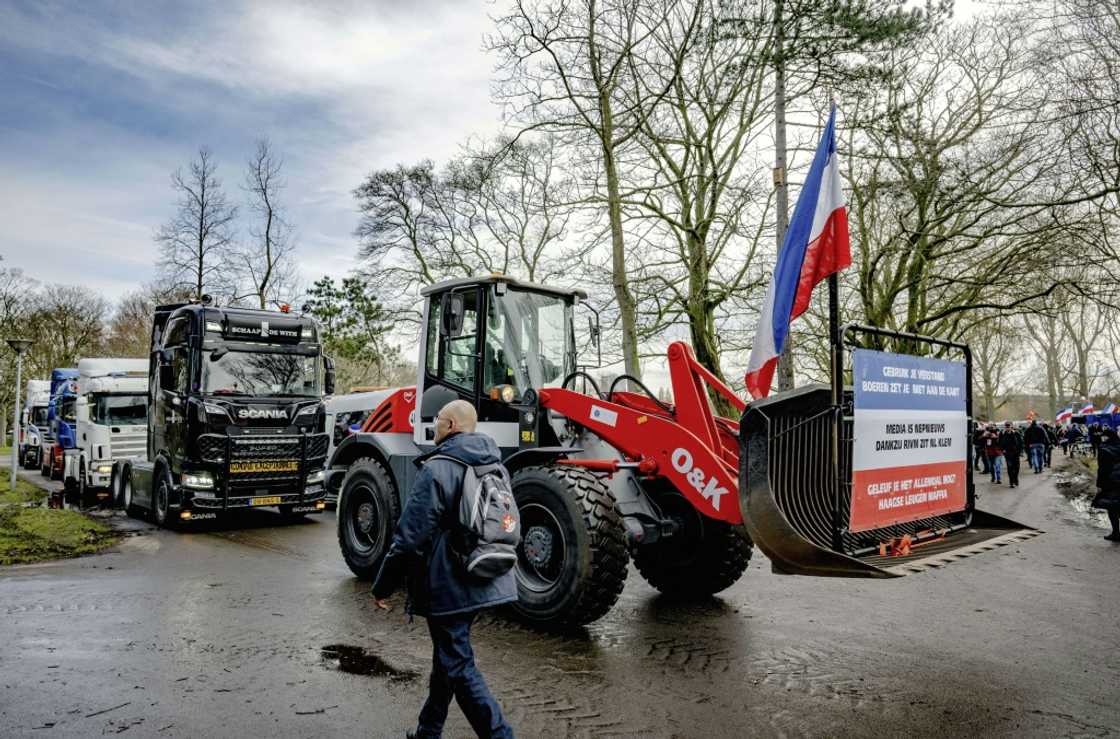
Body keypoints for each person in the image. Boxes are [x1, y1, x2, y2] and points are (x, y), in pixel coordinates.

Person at [371, 399, 516, 739]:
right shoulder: (496, 464)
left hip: (450, 583)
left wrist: (383, 585)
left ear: (450, 426)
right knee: (448, 658)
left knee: (459, 665)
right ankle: (428, 731)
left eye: (438, 420)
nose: (434, 424)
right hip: (484, 573)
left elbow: (408, 537)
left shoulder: (439, 467)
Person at [1092, 427, 1120, 542]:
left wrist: (1099, 485)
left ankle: (1116, 533)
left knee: (1112, 507)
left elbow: (1102, 469)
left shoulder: (1103, 448)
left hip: (1110, 481)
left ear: (1106, 437)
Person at [999, 421, 1023, 488]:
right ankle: (1011, 482)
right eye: (1006, 426)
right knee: (1010, 467)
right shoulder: (1002, 434)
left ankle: (1015, 478)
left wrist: (1020, 451)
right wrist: (1002, 450)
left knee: (1017, 467)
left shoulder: (1016, 433)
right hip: (1008, 453)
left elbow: (1021, 442)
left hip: (1016, 453)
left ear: (1011, 426)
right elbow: (999, 442)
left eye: (1008, 426)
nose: (1007, 428)